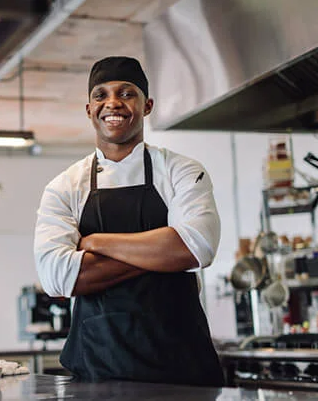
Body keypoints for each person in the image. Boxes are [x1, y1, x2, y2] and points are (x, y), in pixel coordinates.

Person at [33, 56, 224, 386]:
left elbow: (198, 248)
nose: (113, 104)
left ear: (147, 105)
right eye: (101, 95)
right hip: (97, 372)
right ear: (89, 109)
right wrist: (164, 252)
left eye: (126, 93)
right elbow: (57, 277)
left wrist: (96, 243)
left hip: (182, 372)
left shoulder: (182, 171)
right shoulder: (65, 186)